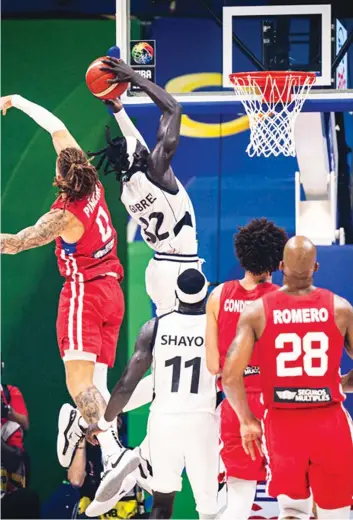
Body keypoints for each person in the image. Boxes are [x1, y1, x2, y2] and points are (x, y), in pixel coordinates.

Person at [0, 94, 139, 502]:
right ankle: (103, 445)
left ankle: (110, 453)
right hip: (113, 289)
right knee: (97, 383)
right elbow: (56, 126)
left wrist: (17, 99)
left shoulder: (63, 217)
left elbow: (14, 243)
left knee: (79, 386)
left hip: (85, 293)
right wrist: (19, 100)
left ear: (62, 177)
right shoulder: (91, 177)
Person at [223, 236, 353, 520]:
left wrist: (246, 421)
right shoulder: (340, 308)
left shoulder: (257, 311)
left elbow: (230, 377)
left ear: (281, 266)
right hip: (329, 421)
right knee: (337, 513)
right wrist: (340, 383)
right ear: (315, 267)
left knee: (292, 510)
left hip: (282, 423)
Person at [86, 269, 220, 519]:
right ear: (206, 294)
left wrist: (104, 422)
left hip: (163, 424)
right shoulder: (216, 329)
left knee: (161, 503)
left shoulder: (155, 327)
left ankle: (129, 459)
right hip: (202, 423)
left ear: (176, 294)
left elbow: (127, 384)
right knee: (208, 508)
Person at [90, 58, 202, 316]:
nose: (143, 146)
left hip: (158, 269)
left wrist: (119, 111)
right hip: (179, 269)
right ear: (141, 159)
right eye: (142, 150)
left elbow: (134, 146)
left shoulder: (126, 188)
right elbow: (173, 109)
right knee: (184, 339)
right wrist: (133, 78)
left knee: (164, 330)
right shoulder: (156, 171)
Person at [205, 218, 288, 520]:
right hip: (278, 404)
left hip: (236, 405)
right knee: (296, 499)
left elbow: (214, 365)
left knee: (238, 502)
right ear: (277, 260)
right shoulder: (283, 299)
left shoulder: (217, 297)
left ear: (241, 255)